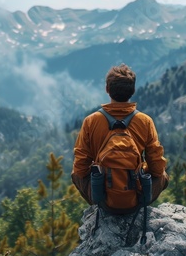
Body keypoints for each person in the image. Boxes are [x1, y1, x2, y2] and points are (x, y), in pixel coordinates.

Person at [71, 63, 168, 209]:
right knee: (163, 176)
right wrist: (140, 168)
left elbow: (80, 169)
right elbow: (157, 169)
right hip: (135, 199)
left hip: (103, 200)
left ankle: (101, 207)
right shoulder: (145, 121)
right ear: (133, 90)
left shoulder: (91, 121)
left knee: (75, 175)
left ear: (107, 89)